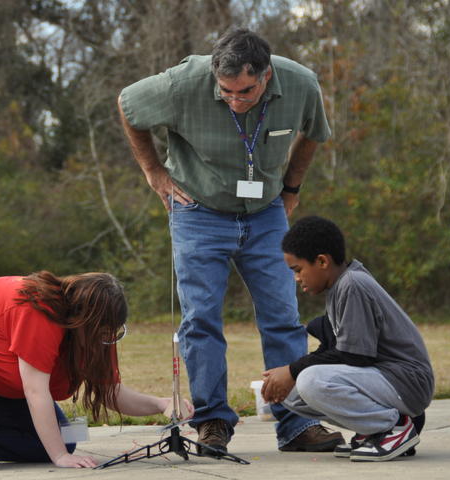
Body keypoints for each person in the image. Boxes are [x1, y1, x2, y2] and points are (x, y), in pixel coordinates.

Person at [117, 27, 344, 455]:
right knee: (200, 319)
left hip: (266, 215)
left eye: (245, 91)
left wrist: (292, 188)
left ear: (267, 75)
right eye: (226, 92)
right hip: (197, 210)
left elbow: (314, 132)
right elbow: (128, 106)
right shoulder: (183, 83)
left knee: (283, 316)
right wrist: (154, 172)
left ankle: (297, 424)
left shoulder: (300, 83)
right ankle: (212, 422)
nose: (236, 100)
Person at [0, 271, 193, 471]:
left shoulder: (96, 333)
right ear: (83, 320)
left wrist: (162, 403)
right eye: (103, 331)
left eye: (113, 332)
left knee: (63, 437)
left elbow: (111, 391)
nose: (108, 338)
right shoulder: (38, 308)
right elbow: (35, 390)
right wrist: (60, 458)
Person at [261, 216, 435, 462]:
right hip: (388, 382)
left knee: (309, 380)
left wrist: (293, 369)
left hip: (406, 382)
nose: (296, 278)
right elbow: (336, 349)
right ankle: (374, 430)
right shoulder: (339, 286)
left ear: (322, 261)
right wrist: (288, 375)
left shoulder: (353, 284)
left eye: (298, 270)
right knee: (290, 391)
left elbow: (355, 356)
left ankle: (395, 426)